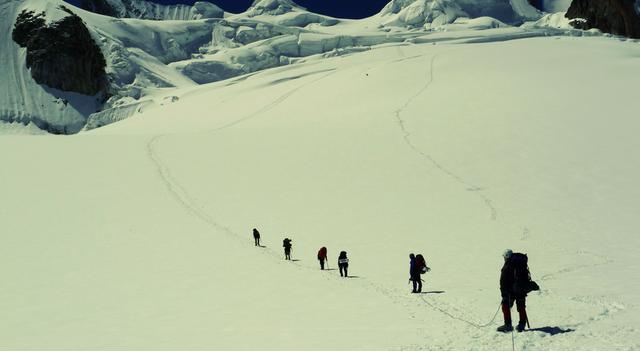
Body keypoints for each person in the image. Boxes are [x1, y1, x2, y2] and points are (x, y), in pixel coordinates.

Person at [497, 249, 539, 333]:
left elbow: (504, 280)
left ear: (506, 257)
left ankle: (508, 325)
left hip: (511, 291)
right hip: (521, 288)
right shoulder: (521, 263)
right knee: (521, 306)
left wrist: (504, 292)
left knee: (505, 305)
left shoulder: (508, 265)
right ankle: (522, 325)